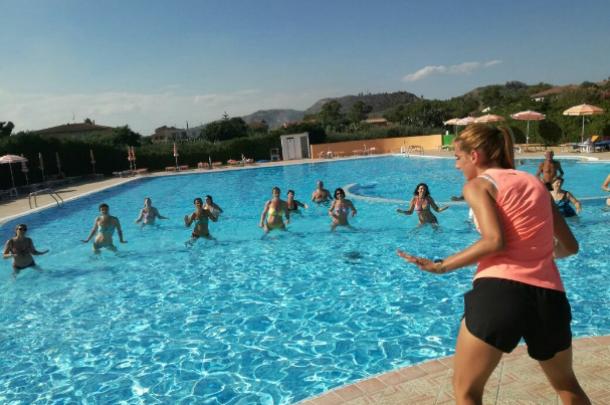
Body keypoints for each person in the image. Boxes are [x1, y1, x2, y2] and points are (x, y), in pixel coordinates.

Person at [397, 124, 590, 404]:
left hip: (500, 293)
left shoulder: (479, 185)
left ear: (475, 156)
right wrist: (535, 255)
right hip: (549, 297)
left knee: (467, 391)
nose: (456, 166)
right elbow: (570, 247)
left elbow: (494, 241)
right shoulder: (535, 183)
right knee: (567, 387)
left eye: (457, 158)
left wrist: (441, 266)